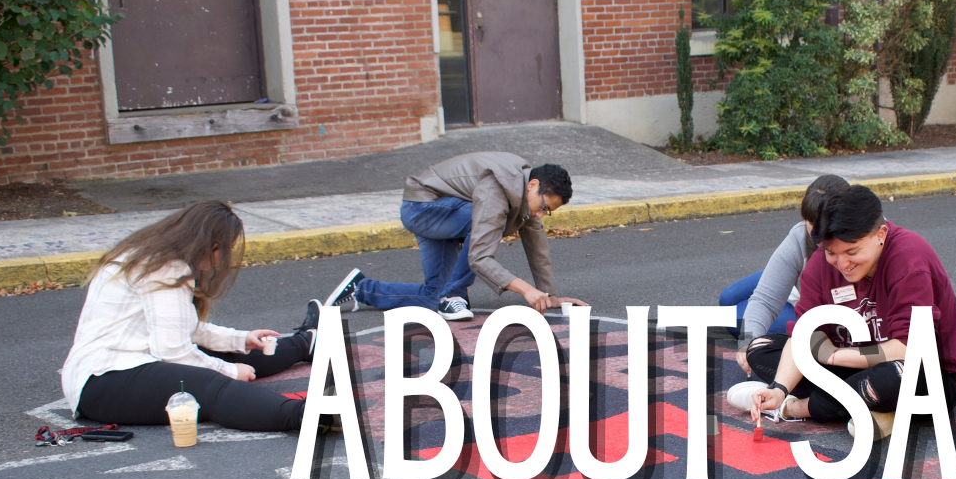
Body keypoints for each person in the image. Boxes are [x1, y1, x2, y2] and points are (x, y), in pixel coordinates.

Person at [62, 200, 320, 432]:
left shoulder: (150, 257)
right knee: (212, 386)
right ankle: (307, 416)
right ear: (211, 246)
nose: (223, 260)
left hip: (123, 366)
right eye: (226, 250)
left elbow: (184, 327)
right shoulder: (165, 268)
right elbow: (173, 349)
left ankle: (307, 342)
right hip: (104, 381)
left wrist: (239, 339)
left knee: (239, 352)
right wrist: (229, 372)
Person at [727, 185, 956, 431]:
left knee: (891, 378)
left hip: (922, 373)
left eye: (852, 252)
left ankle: (794, 408)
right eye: (832, 253)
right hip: (853, 366)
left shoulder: (908, 256)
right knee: (760, 349)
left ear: (881, 234)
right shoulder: (821, 262)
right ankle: (869, 407)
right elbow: (804, 334)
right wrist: (779, 388)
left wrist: (832, 356)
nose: (842, 264)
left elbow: (910, 348)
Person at [322, 152, 584, 319]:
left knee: (433, 296)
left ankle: (361, 289)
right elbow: (479, 257)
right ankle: (453, 295)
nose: (541, 215)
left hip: (448, 213)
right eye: (545, 207)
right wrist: (527, 290)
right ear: (534, 185)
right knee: (480, 221)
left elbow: (536, 243)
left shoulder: (523, 191)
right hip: (423, 207)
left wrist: (549, 295)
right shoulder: (497, 190)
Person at [720, 174, 850, 374]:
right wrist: (746, 345)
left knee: (732, 318)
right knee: (727, 298)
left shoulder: (865, 238)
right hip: (796, 286)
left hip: (807, 309)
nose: (815, 233)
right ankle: (787, 274)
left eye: (821, 226)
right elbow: (764, 299)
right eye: (810, 223)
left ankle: (787, 278)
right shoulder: (801, 235)